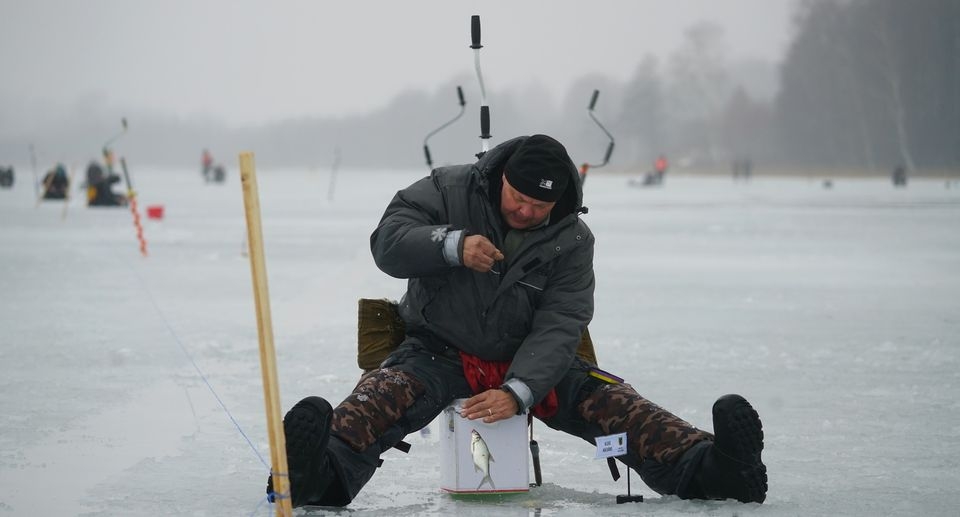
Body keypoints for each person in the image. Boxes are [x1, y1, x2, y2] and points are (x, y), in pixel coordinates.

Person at [268, 134, 767, 507]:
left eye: (540, 206)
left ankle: (711, 469)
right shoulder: (447, 189)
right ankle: (317, 473)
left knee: (617, 406)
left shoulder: (573, 240)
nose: (526, 212)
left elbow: (562, 320)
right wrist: (451, 245)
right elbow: (388, 244)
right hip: (436, 349)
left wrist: (520, 391)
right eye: (518, 199)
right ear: (501, 177)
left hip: (532, 359)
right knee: (378, 401)